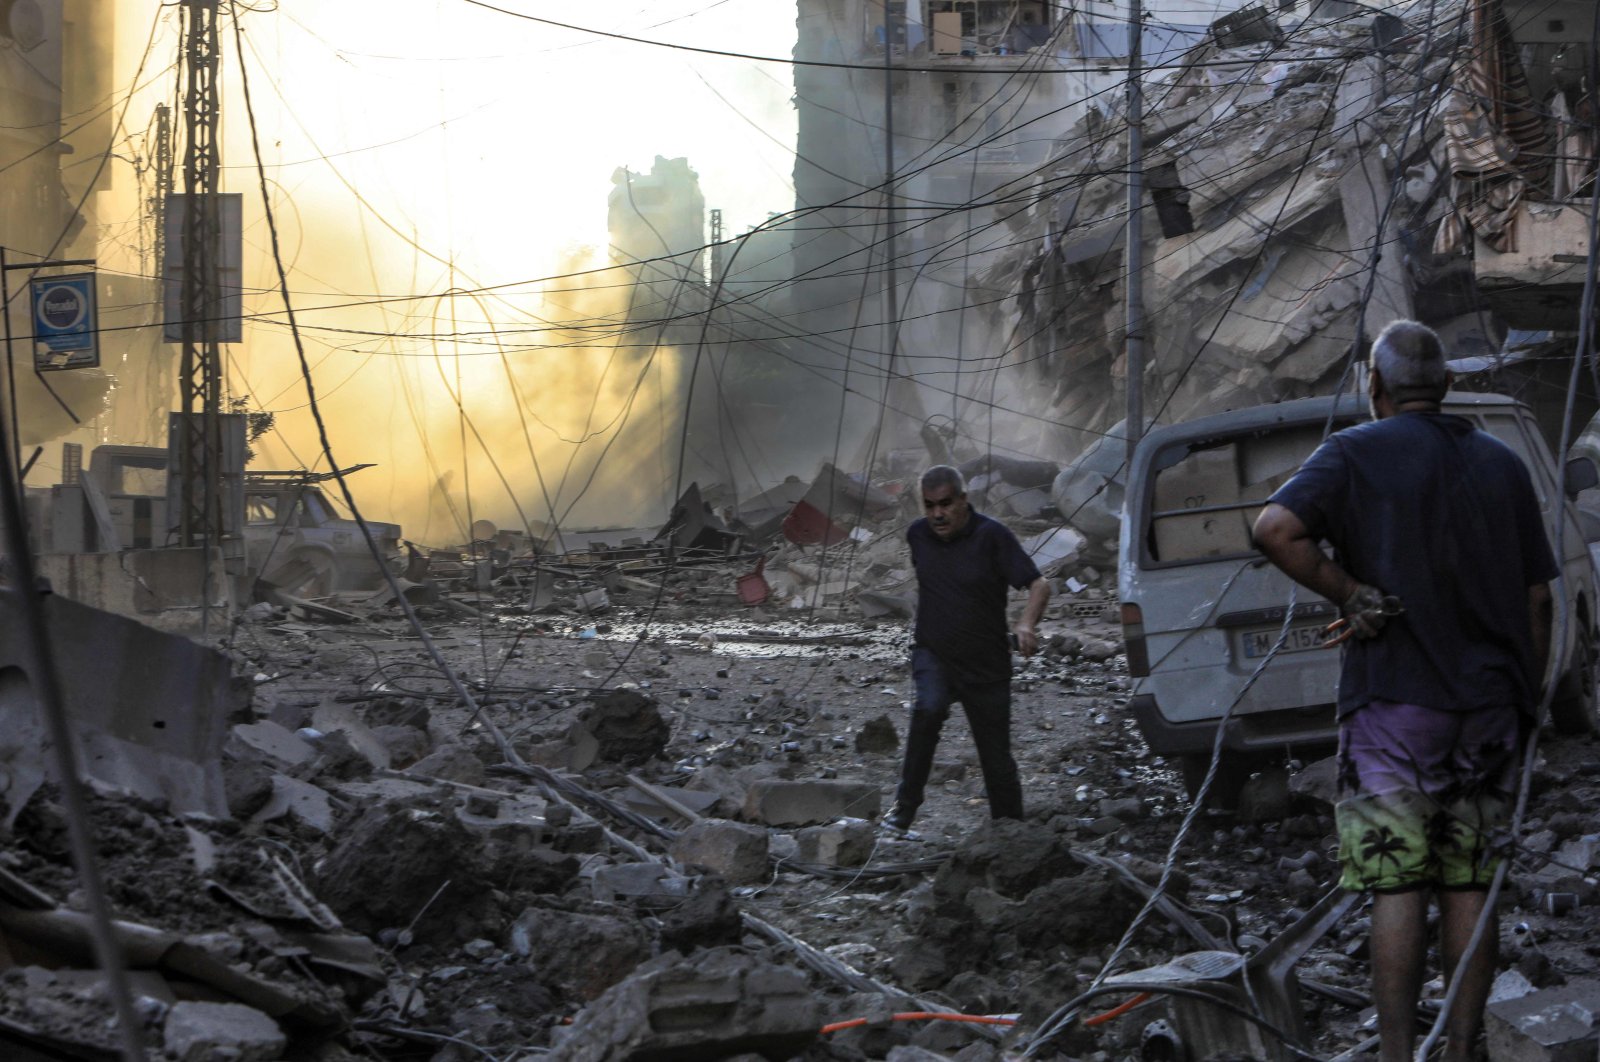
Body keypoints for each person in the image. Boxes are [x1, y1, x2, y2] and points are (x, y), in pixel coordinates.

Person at [1253, 320, 1555, 1062]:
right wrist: (1528, 699)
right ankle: (1461, 1048)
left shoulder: (1353, 452)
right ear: (1448, 386)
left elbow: (1275, 528)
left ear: (1375, 386)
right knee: (1469, 882)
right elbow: (1538, 600)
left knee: (1397, 885)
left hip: (1393, 707)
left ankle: (1394, 1054)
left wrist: (1351, 593)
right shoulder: (1501, 463)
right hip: (1486, 708)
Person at [883, 465, 1052, 833]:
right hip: (934, 653)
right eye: (929, 506)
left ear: (963, 500)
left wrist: (1026, 624)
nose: (937, 515)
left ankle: (1009, 830)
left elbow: (1039, 585)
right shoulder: (917, 535)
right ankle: (904, 809)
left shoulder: (993, 537)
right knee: (927, 711)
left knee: (995, 755)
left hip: (986, 661)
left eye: (945, 504)